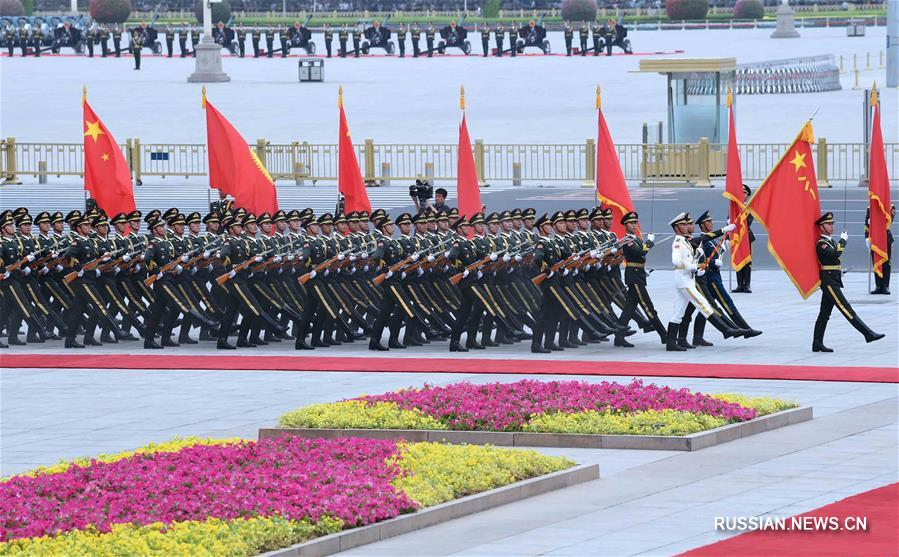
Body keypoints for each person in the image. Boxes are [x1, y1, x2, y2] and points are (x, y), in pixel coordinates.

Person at [812, 212, 884, 352]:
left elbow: (833, 261)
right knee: (846, 308)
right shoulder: (822, 243)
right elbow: (834, 255)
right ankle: (868, 334)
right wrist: (843, 241)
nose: (832, 226)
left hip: (833, 278)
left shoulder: (830, 241)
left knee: (824, 314)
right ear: (821, 227)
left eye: (832, 224)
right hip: (828, 281)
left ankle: (817, 342)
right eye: (828, 224)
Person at [614, 211, 667, 347]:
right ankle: (664, 335)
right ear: (625, 225)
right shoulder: (627, 240)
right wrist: (649, 242)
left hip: (639, 275)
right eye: (631, 223)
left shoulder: (636, 239)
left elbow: (641, 255)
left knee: (629, 309)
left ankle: (619, 337)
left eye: (635, 223)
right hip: (634, 276)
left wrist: (646, 243)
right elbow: (639, 253)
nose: (634, 225)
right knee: (648, 307)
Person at [865, 204, 894, 295]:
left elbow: (889, 220)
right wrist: (867, 238)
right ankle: (878, 286)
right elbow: (866, 224)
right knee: (876, 262)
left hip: (885, 239)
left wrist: (875, 220)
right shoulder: (869, 208)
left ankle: (885, 286)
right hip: (874, 239)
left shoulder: (890, 207)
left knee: (886, 263)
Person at [733, 184, 755, 293]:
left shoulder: (750, 207)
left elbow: (748, 222)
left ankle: (747, 284)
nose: (742, 195)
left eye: (744, 193)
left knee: (747, 261)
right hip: (737, 237)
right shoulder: (735, 207)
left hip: (746, 237)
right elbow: (730, 219)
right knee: (738, 258)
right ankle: (739, 284)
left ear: (747, 195)